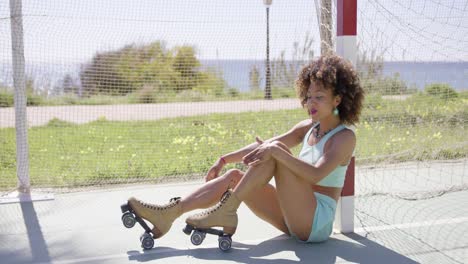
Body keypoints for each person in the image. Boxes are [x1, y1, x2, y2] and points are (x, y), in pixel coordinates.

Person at [127, 54, 365, 243]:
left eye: (319, 97)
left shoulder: (344, 138)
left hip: (316, 222)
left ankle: (226, 211)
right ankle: (168, 214)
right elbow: (266, 146)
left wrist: (275, 151)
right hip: (292, 214)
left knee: (275, 151)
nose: (310, 102)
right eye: (308, 96)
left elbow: (315, 174)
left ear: (338, 100)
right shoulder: (308, 127)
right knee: (235, 177)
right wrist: (224, 159)